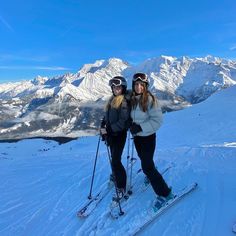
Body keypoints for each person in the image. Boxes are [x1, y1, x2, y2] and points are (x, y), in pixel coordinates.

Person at [129, 72, 173, 208]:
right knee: (144, 159)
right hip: (138, 138)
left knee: (146, 167)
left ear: (145, 86)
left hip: (148, 138)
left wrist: (140, 127)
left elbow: (158, 121)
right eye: (136, 84)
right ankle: (150, 175)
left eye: (141, 85)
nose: (138, 87)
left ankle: (165, 193)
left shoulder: (150, 100)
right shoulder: (132, 99)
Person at [100, 76, 131, 200]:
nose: (116, 89)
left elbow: (123, 122)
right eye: (114, 87)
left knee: (116, 161)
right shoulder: (112, 99)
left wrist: (109, 129)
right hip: (112, 134)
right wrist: (103, 124)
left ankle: (122, 186)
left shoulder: (123, 102)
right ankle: (116, 175)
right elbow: (108, 116)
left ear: (123, 88)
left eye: (118, 87)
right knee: (113, 158)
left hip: (119, 135)